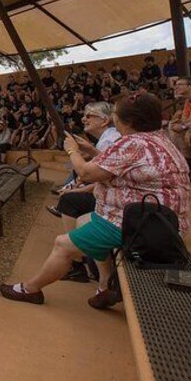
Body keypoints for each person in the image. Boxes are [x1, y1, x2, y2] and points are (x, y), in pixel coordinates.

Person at [0, 93, 190, 308]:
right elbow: (122, 167)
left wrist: (71, 150)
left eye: (116, 114)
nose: (114, 117)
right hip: (162, 221)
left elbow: (86, 173)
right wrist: (90, 150)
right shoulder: (157, 138)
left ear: (126, 121)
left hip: (139, 225)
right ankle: (105, 284)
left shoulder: (131, 143)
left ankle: (30, 289)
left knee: (62, 244)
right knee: (84, 221)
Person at [47, 102, 121, 282]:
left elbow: (89, 174)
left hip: (117, 206)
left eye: (89, 116)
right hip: (112, 198)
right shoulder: (106, 138)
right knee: (72, 196)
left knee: (69, 201)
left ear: (104, 120)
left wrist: (73, 150)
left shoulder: (111, 139)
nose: (83, 118)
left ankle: (76, 263)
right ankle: (80, 259)